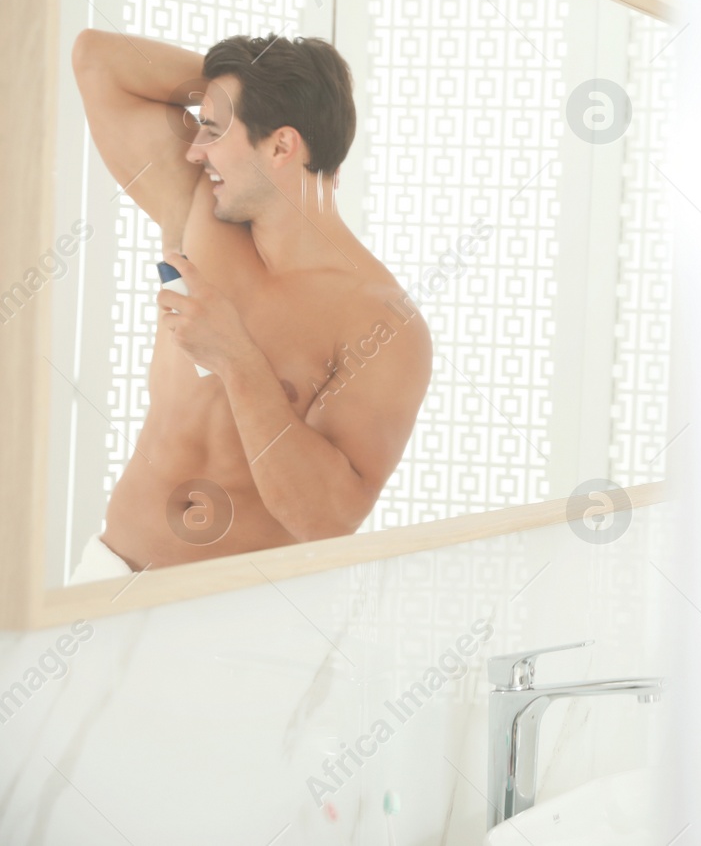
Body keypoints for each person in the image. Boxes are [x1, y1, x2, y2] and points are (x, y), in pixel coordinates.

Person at [67, 30, 432, 581]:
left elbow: (328, 521)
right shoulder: (196, 203)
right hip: (108, 578)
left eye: (212, 129)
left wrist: (237, 358)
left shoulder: (383, 322)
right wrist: (256, 95)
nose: (194, 148)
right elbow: (97, 59)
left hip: (242, 622)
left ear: (282, 146)